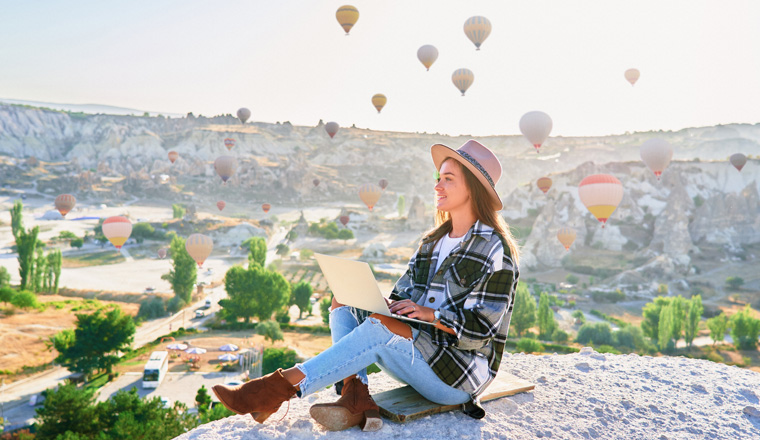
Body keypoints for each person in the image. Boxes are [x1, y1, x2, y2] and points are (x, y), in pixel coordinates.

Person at [212, 139, 520, 432]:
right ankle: (355, 396)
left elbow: (481, 332)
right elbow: (404, 298)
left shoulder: (496, 251)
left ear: (474, 188)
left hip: (458, 375)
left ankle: (271, 391)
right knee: (343, 301)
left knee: (379, 328)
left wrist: (429, 314)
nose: (437, 186)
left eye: (449, 179)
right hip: (419, 353)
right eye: (438, 177)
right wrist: (384, 304)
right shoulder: (432, 242)